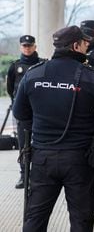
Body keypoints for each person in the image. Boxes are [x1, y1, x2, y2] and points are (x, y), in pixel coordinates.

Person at [12, 25, 94, 232]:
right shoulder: (92, 77)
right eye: (84, 44)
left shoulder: (33, 74)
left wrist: (41, 128)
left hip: (42, 157)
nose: (87, 47)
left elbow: (20, 114)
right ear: (76, 46)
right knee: (81, 220)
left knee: (35, 218)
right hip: (79, 159)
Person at [6, 35, 45, 189]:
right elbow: (11, 89)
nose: (27, 48)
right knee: (23, 145)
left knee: (41, 143)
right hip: (23, 113)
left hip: (40, 111)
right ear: (21, 47)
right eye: (24, 46)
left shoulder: (43, 64)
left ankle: (39, 175)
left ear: (35, 46)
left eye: (30, 45)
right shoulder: (15, 66)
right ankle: (24, 175)